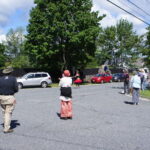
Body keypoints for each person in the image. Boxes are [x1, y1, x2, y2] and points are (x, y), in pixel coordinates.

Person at [0, 66, 18, 133]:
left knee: (4, 112)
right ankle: (6, 129)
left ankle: (5, 125)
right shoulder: (13, 79)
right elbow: (16, 89)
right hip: (9, 97)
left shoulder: (0, 79)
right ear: (11, 72)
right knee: (8, 113)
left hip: (1, 97)